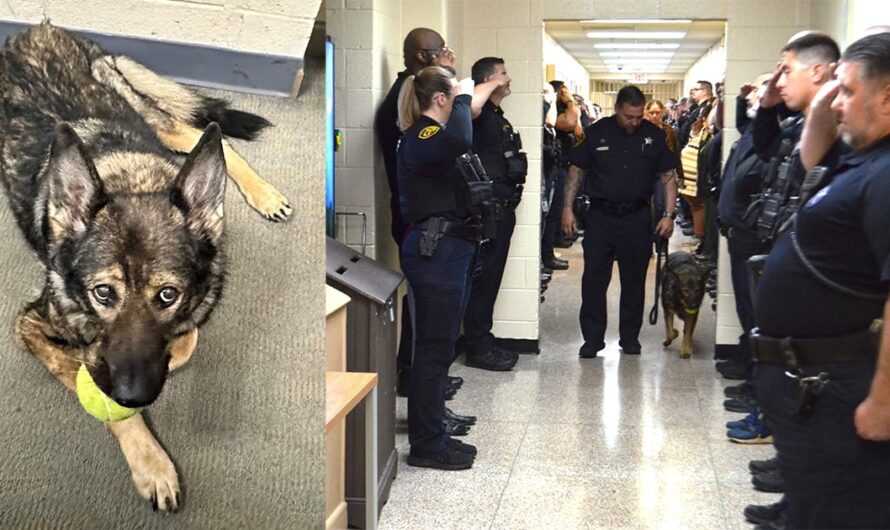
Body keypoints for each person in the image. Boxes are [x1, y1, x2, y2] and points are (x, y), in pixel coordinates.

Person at [751, 32, 890, 528]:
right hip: (809, 380)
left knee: (836, 514)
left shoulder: (886, 172)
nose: (838, 102)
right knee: (812, 508)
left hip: (839, 383)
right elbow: (811, 158)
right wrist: (833, 96)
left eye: (848, 92)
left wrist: (884, 400)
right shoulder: (862, 155)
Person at [396, 66, 482, 470]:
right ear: (441, 99)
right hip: (436, 250)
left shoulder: (431, 138)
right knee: (432, 351)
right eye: (453, 98)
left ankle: (434, 435)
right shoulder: (424, 135)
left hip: (448, 248)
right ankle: (428, 445)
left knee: (439, 348)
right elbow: (461, 136)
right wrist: (465, 96)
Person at [375, 28, 464, 412]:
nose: (448, 54)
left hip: (434, 225)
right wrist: (454, 87)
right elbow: (456, 141)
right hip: (422, 224)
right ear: (423, 56)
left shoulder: (417, 102)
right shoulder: (411, 106)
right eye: (440, 51)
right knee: (428, 330)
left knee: (437, 332)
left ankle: (430, 401)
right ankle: (418, 388)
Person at [561, 86, 678, 357]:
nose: (634, 122)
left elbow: (668, 176)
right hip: (600, 217)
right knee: (593, 281)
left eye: (638, 117)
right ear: (617, 110)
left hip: (637, 218)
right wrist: (567, 208)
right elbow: (576, 170)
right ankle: (592, 340)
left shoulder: (655, 135)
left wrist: (669, 215)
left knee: (634, 282)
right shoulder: (596, 132)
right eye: (629, 117)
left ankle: (630, 338)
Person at [462, 57, 523, 372]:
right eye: (503, 73)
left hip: (500, 211)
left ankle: (481, 337)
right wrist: (487, 83)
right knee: (484, 280)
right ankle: (477, 345)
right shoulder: (477, 111)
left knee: (490, 279)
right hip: (488, 214)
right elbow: (471, 101)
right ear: (487, 80)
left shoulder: (495, 115)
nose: (508, 78)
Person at [541, 80, 580, 271]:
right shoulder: (551, 112)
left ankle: (549, 253)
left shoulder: (561, 110)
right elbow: (570, 122)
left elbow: (579, 130)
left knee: (555, 212)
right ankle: (546, 257)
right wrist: (571, 102)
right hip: (555, 167)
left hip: (563, 165)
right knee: (550, 214)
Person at [644, 99, 682, 223]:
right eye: (651, 112)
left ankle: (659, 235)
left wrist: (681, 175)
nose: (654, 116)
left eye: (658, 112)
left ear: (663, 112)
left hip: (663, 174)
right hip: (643, 173)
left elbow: (676, 152)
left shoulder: (668, 131)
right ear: (646, 112)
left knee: (661, 205)